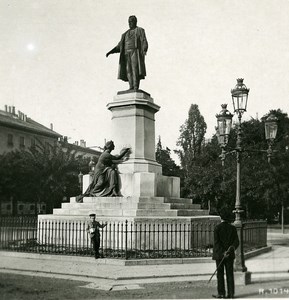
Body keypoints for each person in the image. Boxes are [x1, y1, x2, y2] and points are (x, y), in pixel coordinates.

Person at [106, 15, 148, 91]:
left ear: (135, 22)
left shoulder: (140, 30)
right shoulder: (124, 34)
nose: (130, 23)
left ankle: (135, 86)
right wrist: (110, 52)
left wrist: (144, 49)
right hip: (126, 53)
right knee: (128, 70)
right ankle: (131, 86)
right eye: (129, 22)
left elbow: (144, 40)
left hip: (135, 51)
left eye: (131, 21)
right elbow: (119, 46)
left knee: (135, 69)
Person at [212, 208, 239, 299]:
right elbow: (236, 242)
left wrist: (223, 252)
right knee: (230, 274)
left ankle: (221, 293)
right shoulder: (233, 228)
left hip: (220, 255)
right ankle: (231, 294)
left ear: (221, 217)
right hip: (229, 255)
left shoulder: (217, 228)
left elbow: (217, 243)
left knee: (220, 274)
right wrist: (230, 249)